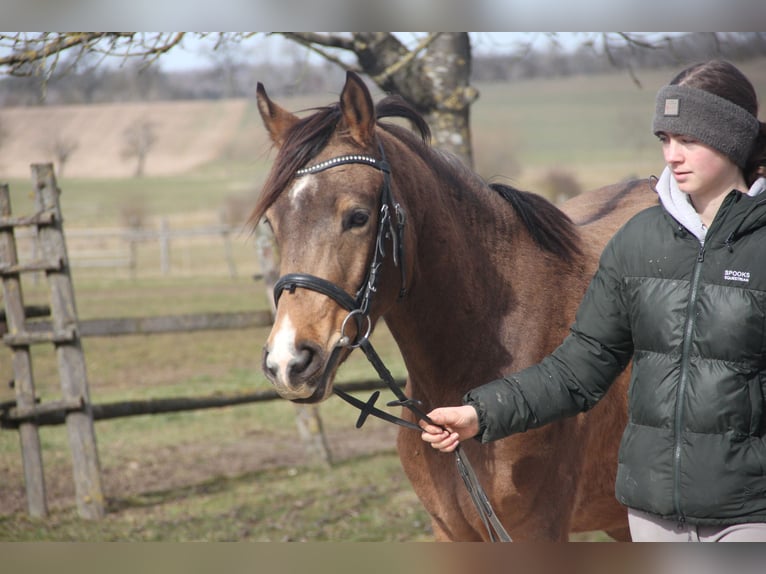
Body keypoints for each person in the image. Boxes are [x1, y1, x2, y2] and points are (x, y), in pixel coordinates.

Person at [420, 59, 766, 542]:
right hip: (652, 515)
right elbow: (578, 368)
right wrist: (480, 412)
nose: (672, 156)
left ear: (731, 138)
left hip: (748, 517)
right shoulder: (638, 241)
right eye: (665, 140)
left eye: (689, 140)